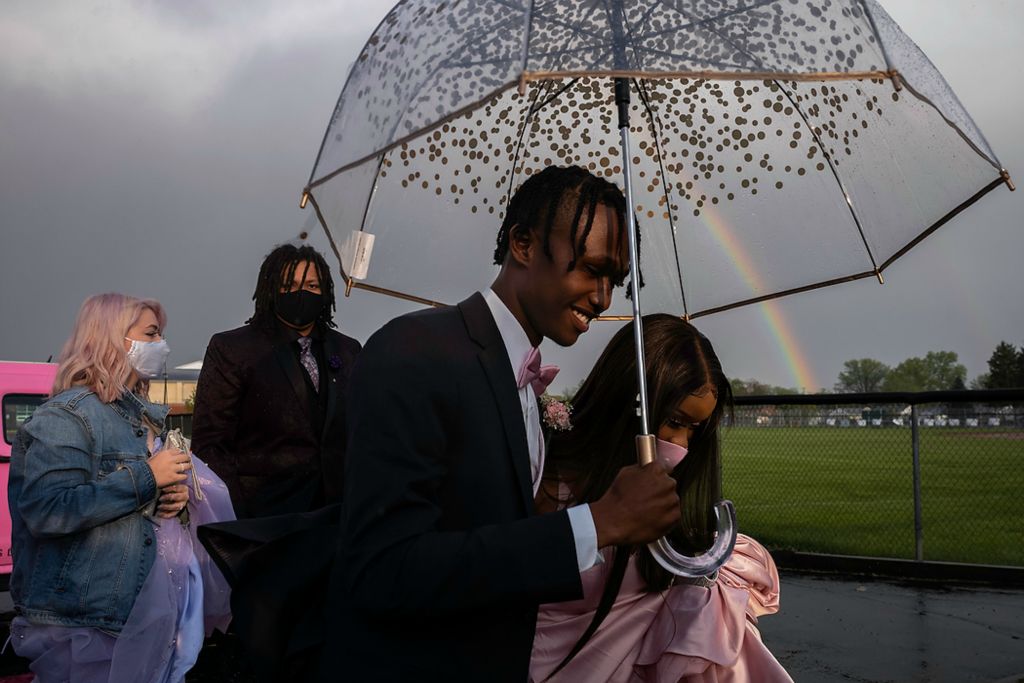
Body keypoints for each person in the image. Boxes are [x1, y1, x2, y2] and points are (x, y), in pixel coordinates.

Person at [318, 165, 684, 682]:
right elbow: (384, 569)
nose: (603, 299)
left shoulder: (522, 382)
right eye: (592, 269)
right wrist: (597, 523)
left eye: (615, 281)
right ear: (523, 244)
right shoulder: (414, 353)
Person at [530, 314, 792, 682]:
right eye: (675, 421)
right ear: (630, 404)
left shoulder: (667, 502)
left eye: (694, 430)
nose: (683, 445)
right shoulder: (544, 480)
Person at [8, 293, 233, 683]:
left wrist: (170, 497)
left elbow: (130, 504)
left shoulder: (143, 417)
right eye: (151, 334)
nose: (162, 345)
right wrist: (148, 477)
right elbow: (48, 509)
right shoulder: (68, 415)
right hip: (89, 620)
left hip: (139, 613)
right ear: (113, 339)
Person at [191, 243, 361, 518]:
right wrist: (236, 513)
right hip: (263, 517)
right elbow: (210, 442)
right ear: (271, 290)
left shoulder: (348, 350)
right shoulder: (234, 348)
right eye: (289, 285)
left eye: (312, 285)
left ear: (326, 291)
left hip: (337, 515)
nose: (301, 293)